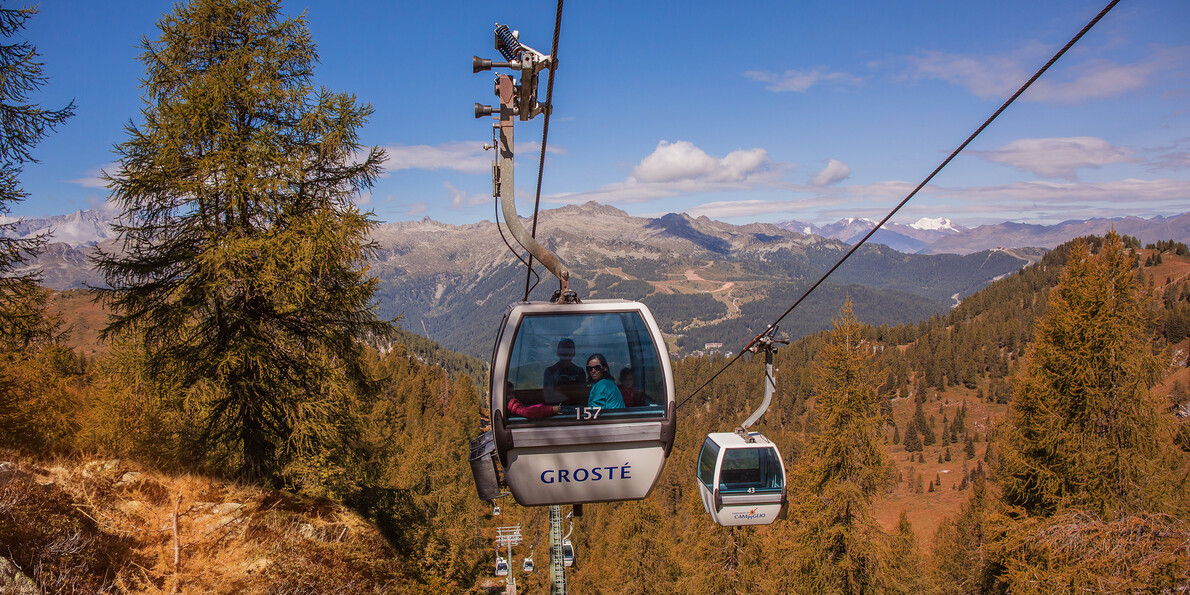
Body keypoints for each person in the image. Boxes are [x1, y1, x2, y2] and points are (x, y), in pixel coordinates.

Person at [543, 338, 585, 406]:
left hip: (577, 410)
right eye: (563, 349)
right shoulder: (550, 371)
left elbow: (582, 395)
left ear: (574, 353)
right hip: (556, 410)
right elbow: (548, 397)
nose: (566, 352)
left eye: (569, 349)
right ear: (558, 352)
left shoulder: (579, 372)